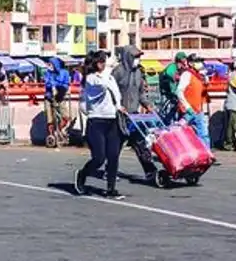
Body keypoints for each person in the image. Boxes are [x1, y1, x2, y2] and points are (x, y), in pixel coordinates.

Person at [74, 50, 125, 200]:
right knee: (99, 158)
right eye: (101, 61)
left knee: (113, 155)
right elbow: (101, 88)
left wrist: (118, 106)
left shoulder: (109, 77)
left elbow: (116, 93)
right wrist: (110, 70)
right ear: (95, 63)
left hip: (112, 120)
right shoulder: (91, 79)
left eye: (105, 61)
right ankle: (82, 174)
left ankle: (111, 189)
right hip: (97, 121)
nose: (104, 64)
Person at [112, 45, 156, 178]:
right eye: (135, 57)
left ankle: (150, 170)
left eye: (139, 57)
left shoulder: (138, 73)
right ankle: (110, 171)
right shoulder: (117, 72)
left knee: (140, 143)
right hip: (119, 115)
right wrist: (117, 106)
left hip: (134, 115)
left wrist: (147, 105)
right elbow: (110, 92)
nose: (138, 59)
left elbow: (141, 93)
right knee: (116, 145)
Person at [176, 58, 211, 148]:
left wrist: (206, 81)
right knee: (182, 134)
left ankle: (206, 154)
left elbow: (202, 91)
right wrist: (187, 107)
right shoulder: (187, 74)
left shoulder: (198, 76)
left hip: (198, 110)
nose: (199, 63)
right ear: (191, 63)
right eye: (197, 61)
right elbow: (179, 91)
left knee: (203, 134)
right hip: (188, 111)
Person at [159, 52, 189, 124]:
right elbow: (172, 75)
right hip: (168, 93)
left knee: (179, 109)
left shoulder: (182, 68)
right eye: (181, 62)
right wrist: (180, 77)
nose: (183, 64)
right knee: (170, 111)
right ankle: (166, 123)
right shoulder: (172, 67)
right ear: (178, 61)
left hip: (176, 94)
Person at [44, 57, 71, 134]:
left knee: (65, 116)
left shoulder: (64, 72)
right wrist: (52, 83)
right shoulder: (47, 73)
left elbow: (66, 84)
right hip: (49, 97)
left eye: (50, 64)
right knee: (50, 119)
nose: (49, 66)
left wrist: (58, 87)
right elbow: (47, 83)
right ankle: (51, 135)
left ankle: (58, 130)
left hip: (60, 96)